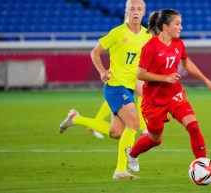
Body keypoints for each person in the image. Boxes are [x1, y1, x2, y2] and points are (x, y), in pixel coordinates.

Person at [125, 9, 211, 184]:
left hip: (174, 94)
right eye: (177, 24)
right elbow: (140, 74)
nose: (181, 27)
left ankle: (204, 169)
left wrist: (206, 81)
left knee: (193, 126)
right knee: (156, 140)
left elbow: (186, 63)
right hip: (153, 100)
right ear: (165, 26)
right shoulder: (150, 46)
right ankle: (132, 153)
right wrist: (165, 77)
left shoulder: (178, 44)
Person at [59, 0, 152, 179]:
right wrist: (102, 71)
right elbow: (95, 52)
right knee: (134, 124)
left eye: (139, 9)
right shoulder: (117, 33)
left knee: (116, 132)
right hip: (115, 86)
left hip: (130, 87)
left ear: (143, 13)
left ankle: (76, 119)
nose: (135, 12)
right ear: (126, 11)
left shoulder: (147, 36)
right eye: (132, 9)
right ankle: (120, 170)